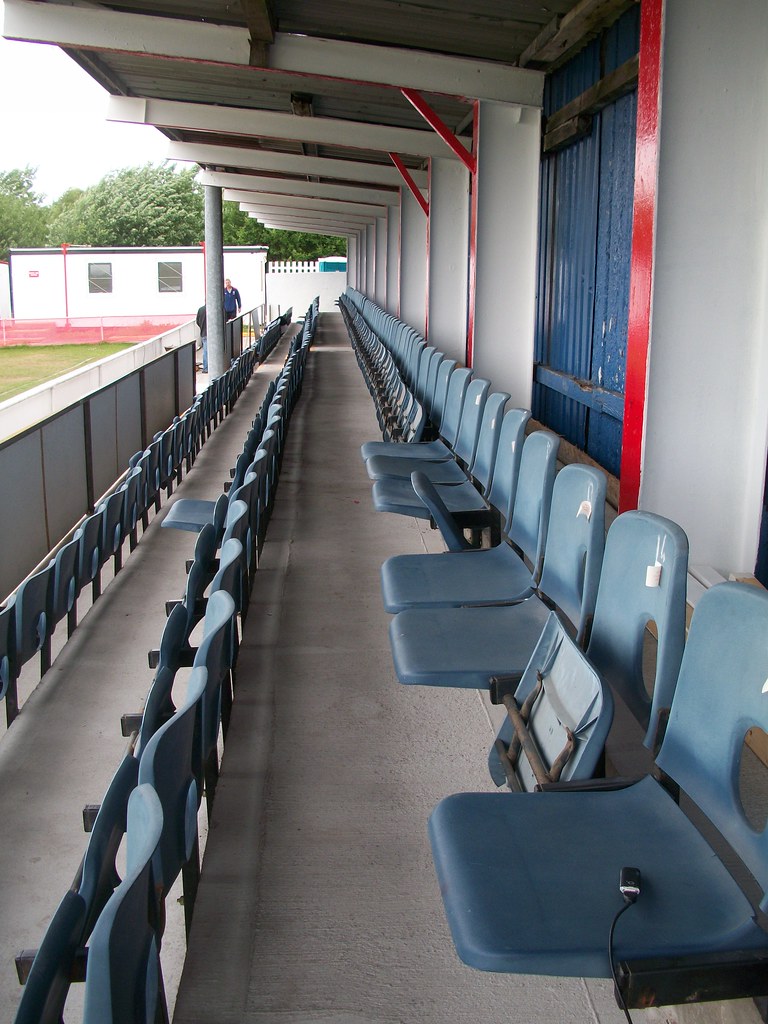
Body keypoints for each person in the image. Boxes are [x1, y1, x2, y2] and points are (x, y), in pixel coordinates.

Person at [196, 303, 208, 372]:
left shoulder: (200, 310)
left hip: (203, 333)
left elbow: (197, 321)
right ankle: (207, 367)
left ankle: (206, 367)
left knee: (205, 351)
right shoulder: (214, 309)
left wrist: (202, 327)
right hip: (212, 334)